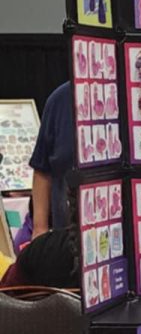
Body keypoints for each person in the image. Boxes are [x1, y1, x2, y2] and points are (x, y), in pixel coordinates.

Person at [29, 82, 75, 237]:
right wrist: (39, 229)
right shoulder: (60, 99)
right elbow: (42, 169)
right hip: (65, 237)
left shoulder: (133, 96)